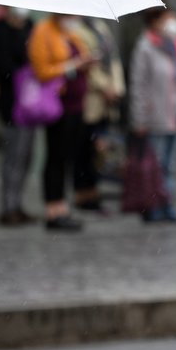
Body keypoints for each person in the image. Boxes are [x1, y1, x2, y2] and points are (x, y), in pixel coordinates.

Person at [129, 8, 176, 223]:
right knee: (154, 165)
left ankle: (167, 204)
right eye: (168, 19)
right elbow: (138, 85)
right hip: (155, 116)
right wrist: (139, 118)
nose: (173, 23)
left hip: (175, 114)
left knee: (170, 164)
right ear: (155, 22)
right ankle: (152, 206)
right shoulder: (145, 47)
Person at [28, 13, 94, 231]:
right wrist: (72, 65)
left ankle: (62, 206)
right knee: (56, 156)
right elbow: (42, 71)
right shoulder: (44, 31)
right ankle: (53, 209)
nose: (74, 17)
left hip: (75, 105)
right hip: (57, 105)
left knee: (66, 156)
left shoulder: (69, 34)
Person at [0, 7, 38, 226]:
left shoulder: (31, 29)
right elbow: (3, 67)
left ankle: (18, 205)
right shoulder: (0, 34)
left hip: (31, 103)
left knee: (26, 157)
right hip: (11, 105)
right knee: (13, 156)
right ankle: (8, 207)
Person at [73, 18, 126, 213]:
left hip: (106, 102)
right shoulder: (76, 30)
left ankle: (93, 190)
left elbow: (112, 58)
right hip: (91, 98)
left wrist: (117, 87)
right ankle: (83, 193)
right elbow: (89, 65)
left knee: (99, 149)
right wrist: (105, 87)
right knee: (84, 148)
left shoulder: (100, 27)